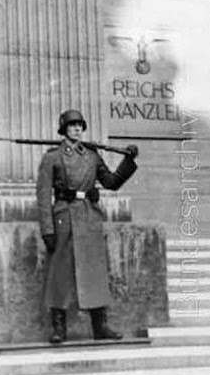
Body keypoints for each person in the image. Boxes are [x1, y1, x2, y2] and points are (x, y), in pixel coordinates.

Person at [36, 109, 138, 344]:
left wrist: (128, 160)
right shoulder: (52, 157)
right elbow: (43, 196)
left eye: (80, 125)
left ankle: (100, 326)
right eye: (72, 125)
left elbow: (111, 182)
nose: (77, 129)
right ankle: (59, 328)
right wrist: (47, 229)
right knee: (59, 273)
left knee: (94, 272)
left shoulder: (92, 156)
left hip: (89, 217)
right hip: (64, 217)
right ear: (64, 129)